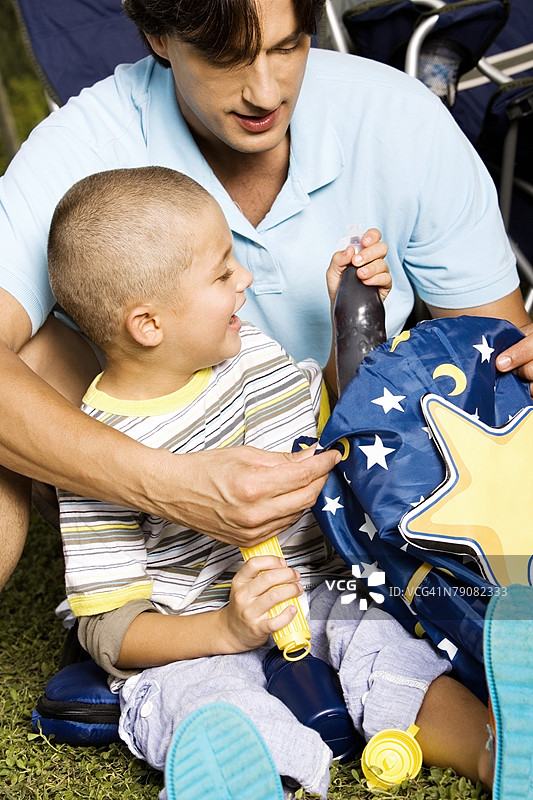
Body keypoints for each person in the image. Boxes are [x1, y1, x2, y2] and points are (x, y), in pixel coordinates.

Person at [1, 0, 532, 592]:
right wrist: (169, 485)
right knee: (20, 366)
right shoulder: (83, 143)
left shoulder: (401, 121)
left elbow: (499, 359)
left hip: (350, 457)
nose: (264, 92)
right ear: (157, 35)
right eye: (226, 58)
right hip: (153, 488)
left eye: (287, 47)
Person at [49, 165, 496, 799]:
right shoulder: (99, 450)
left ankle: (493, 749)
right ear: (148, 325)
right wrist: (226, 632)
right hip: (196, 631)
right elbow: (110, 630)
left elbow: (340, 431)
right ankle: (256, 777)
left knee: (385, 641)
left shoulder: (251, 351)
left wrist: (354, 320)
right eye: (223, 271)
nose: (247, 280)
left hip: (323, 588)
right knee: (201, 701)